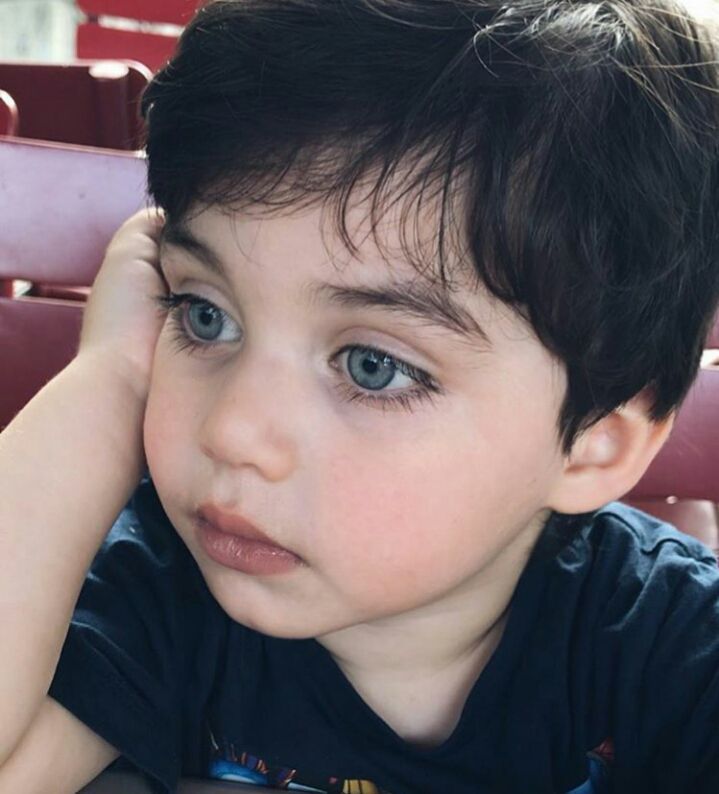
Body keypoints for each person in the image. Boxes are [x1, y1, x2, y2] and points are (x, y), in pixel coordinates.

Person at [1, 0, 719, 792]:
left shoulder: (674, 649)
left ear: (594, 443)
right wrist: (107, 385)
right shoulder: (163, 592)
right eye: (204, 315)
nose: (233, 431)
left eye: (373, 366)